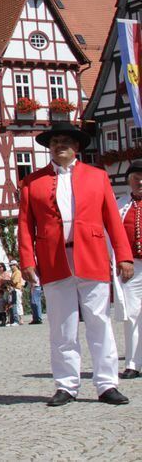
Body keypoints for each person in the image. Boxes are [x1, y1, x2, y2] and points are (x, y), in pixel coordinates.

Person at [17, 121, 134, 406]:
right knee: (61, 325)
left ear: (77, 147)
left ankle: (106, 384)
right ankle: (66, 385)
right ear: (50, 147)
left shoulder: (97, 177)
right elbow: (24, 225)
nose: (60, 146)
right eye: (55, 142)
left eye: (66, 142)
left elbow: (112, 220)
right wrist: (27, 260)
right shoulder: (32, 182)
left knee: (99, 322)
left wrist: (124, 256)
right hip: (54, 258)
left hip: (91, 255)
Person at [112, 160, 142, 380]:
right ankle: (133, 362)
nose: (139, 181)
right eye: (135, 177)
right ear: (129, 181)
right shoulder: (120, 204)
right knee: (132, 315)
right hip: (131, 265)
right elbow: (112, 235)